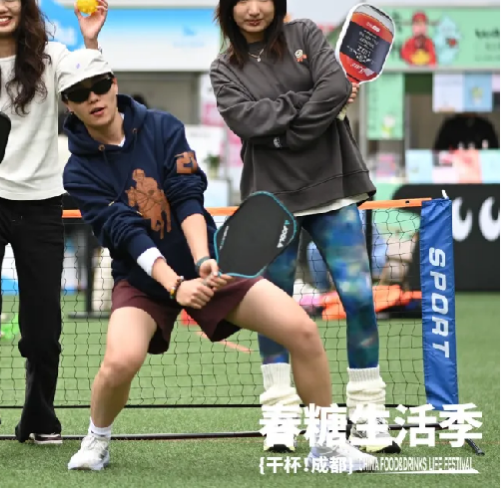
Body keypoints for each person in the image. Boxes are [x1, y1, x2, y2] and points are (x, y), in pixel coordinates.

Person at [59, 48, 378, 472]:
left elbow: (187, 197)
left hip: (208, 266)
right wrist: (176, 285)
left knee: (301, 329)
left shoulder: (162, 127)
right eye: (79, 93)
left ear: (114, 83)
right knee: (120, 361)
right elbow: (126, 233)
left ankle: (326, 445)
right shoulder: (78, 171)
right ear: (68, 104)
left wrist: (203, 260)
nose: (93, 98)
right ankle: (97, 438)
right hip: (143, 280)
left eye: (100, 85)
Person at [208, 0, 399, 454]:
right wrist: (312, 107)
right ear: (228, 7)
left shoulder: (306, 34)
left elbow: (334, 86)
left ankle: (368, 414)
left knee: (359, 299)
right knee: (273, 311)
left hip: (333, 193)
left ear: (278, 1)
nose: (254, 8)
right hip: (269, 205)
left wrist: (284, 129)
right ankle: (280, 414)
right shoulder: (223, 68)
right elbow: (246, 122)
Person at [0, 0, 107, 460]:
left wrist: (91, 41)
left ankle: (39, 415)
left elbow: (89, 92)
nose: (0, 7)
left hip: (41, 203)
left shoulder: (53, 56)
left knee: (43, 324)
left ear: (24, 3)